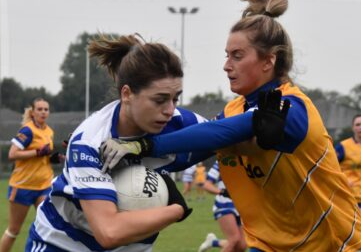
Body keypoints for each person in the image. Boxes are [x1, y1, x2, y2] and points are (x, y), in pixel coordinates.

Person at [99, 0, 361, 250]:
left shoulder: (292, 108)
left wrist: (145, 145)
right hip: (267, 245)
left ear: (269, 60)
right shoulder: (232, 111)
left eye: (237, 56)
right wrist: (134, 159)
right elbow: (194, 149)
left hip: (335, 244)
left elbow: (224, 132)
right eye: (227, 55)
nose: (226, 65)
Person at [24, 33, 231, 252]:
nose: (170, 110)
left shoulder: (178, 121)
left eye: (175, 98)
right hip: (62, 245)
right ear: (127, 94)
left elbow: (229, 133)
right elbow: (109, 232)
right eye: (159, 99)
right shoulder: (90, 142)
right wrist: (176, 209)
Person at [0, 98, 57, 252]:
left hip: (44, 184)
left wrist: (54, 158)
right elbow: (12, 154)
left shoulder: (49, 131)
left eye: (46, 109)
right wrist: (37, 152)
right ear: (32, 112)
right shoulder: (28, 130)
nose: (43, 112)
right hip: (23, 186)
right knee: (14, 230)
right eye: (40, 109)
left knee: (48, 228)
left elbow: (44, 156)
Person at [198, 161, 246, 252]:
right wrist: (223, 192)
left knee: (242, 246)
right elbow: (206, 185)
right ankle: (213, 242)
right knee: (234, 239)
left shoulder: (247, 160)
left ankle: (213, 242)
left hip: (240, 206)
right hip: (223, 205)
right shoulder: (222, 160)